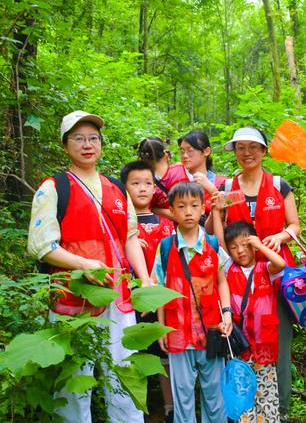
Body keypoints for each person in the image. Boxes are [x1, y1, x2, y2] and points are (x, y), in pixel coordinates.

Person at [27, 110, 149, 423]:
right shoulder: (54, 188)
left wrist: (145, 279)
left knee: (125, 371)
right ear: (65, 145)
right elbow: (41, 245)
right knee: (73, 379)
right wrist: (85, 264)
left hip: (118, 297)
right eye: (78, 138)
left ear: (101, 144)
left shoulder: (116, 188)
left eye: (93, 138)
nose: (87, 144)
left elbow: (131, 237)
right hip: (74, 296)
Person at [220, 126, 301, 422]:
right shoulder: (230, 188)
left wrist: (280, 237)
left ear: (264, 151)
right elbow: (223, 227)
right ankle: (246, 409)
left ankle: (278, 409)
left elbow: (295, 225)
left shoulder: (279, 185)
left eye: (252, 147)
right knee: (244, 343)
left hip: (274, 275)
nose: (246, 153)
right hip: (240, 280)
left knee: (278, 342)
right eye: (240, 148)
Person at [152, 181, 233, 423]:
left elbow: (222, 282)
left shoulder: (212, 245)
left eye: (194, 205)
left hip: (211, 331)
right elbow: (159, 290)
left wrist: (227, 313)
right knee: (183, 395)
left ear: (202, 210)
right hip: (178, 333)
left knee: (214, 394)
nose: (188, 211)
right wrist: (161, 329)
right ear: (172, 211)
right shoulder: (166, 247)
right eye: (182, 206)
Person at [213, 215, 286, 423]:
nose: (240, 251)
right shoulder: (228, 269)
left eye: (245, 245)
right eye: (234, 247)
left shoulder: (265, 268)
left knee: (266, 393)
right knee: (243, 394)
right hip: (240, 345)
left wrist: (259, 245)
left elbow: (280, 263)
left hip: (264, 344)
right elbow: (218, 241)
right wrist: (217, 213)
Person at [120, 160, 175, 423]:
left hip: (163, 298)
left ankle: (169, 407)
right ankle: (134, 410)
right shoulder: (121, 225)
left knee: (164, 353)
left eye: (148, 183)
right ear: (125, 187)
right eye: (135, 183)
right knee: (134, 354)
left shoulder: (166, 223)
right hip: (131, 298)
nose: (142, 189)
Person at [178, 129, 226, 225]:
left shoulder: (223, 182)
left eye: (190, 151)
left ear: (206, 151)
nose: (185, 155)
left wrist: (211, 189)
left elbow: (232, 209)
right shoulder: (177, 182)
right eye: (182, 151)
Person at [137, 137, 190, 219]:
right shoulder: (181, 169)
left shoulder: (145, 184)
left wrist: (157, 210)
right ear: (166, 155)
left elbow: (146, 210)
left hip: (164, 229)